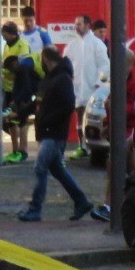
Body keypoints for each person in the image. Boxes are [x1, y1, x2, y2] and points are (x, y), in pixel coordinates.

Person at [17, 44, 108, 223]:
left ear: (46, 59)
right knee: (57, 170)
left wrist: (47, 120)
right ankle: (81, 201)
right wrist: (20, 113)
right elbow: (40, 103)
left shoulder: (61, 79)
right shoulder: (52, 79)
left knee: (40, 167)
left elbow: (67, 105)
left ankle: (35, 209)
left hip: (54, 133)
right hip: (50, 131)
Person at [67, 15, 107, 156]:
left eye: (79, 24)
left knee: (90, 118)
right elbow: (66, 65)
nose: (76, 27)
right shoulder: (72, 45)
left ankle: (92, 146)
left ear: (88, 26)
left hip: (92, 88)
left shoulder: (97, 44)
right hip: (77, 87)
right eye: (76, 24)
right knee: (78, 116)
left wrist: (99, 84)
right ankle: (81, 146)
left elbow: (104, 65)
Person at [0, 21, 36, 162]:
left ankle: (23, 150)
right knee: (10, 120)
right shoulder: (6, 47)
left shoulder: (22, 45)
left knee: (21, 119)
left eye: (5, 34)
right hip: (8, 88)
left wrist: (6, 68)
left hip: (21, 87)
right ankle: (15, 150)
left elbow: (21, 67)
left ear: (12, 33)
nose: (3, 37)